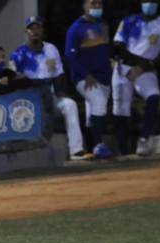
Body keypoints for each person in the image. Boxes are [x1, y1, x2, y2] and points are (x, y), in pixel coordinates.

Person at [12, 16, 93, 161]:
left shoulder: (51, 49)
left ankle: (76, 150)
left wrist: (60, 89)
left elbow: (59, 73)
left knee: (70, 105)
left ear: (43, 30)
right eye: (31, 28)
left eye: (38, 28)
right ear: (26, 32)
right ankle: (38, 154)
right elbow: (13, 79)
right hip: (31, 102)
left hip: (50, 96)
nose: (35, 31)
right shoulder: (18, 54)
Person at [112, 1, 160, 156]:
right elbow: (118, 46)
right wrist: (140, 61)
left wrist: (146, 65)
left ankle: (144, 139)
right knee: (121, 110)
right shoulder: (129, 20)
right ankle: (124, 153)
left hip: (146, 70)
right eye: (146, 1)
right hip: (124, 68)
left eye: (152, 1)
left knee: (154, 96)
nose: (149, 4)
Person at [65, 0, 113, 159]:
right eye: (93, 3)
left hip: (104, 75)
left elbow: (105, 49)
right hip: (85, 77)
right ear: (85, 5)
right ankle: (99, 146)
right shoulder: (76, 28)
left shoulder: (103, 24)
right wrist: (86, 74)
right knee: (99, 104)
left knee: (95, 112)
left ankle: (92, 148)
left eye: (99, 3)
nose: (97, 6)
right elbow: (70, 57)